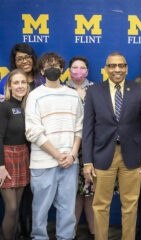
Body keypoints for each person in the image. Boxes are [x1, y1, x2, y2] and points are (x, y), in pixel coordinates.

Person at [83, 52, 141, 240]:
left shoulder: (139, 90)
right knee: (100, 205)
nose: (117, 69)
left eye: (121, 65)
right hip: (102, 154)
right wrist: (87, 161)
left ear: (126, 68)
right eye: (113, 66)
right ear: (106, 69)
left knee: (130, 204)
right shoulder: (93, 91)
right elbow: (88, 129)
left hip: (133, 156)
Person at [25, 52, 83, 240]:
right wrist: (58, 156)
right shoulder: (34, 96)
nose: (52, 68)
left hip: (70, 164)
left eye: (56, 65)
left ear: (61, 69)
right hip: (43, 164)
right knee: (40, 211)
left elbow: (79, 128)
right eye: (47, 65)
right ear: (41, 71)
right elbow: (33, 132)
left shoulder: (73, 96)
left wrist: (73, 155)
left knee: (68, 210)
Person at [0, 69, 30, 240]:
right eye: (16, 83)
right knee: (11, 208)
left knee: (17, 206)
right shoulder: (4, 106)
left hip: (23, 156)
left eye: (23, 82)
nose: (20, 86)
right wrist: (1, 166)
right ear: (9, 87)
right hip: (6, 158)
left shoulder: (26, 106)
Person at [68, 56, 94, 238]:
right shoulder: (62, 89)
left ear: (87, 70)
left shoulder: (95, 90)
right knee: (73, 193)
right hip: (69, 148)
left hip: (91, 148)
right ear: (69, 70)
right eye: (74, 67)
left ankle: (95, 232)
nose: (78, 70)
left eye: (82, 67)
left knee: (91, 191)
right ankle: (71, 232)